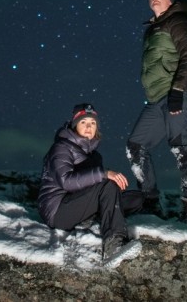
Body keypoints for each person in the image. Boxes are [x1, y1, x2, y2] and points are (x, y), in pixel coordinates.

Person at [126, 0, 187, 225]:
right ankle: (150, 201)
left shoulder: (178, 20)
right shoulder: (151, 29)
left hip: (177, 92)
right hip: (156, 97)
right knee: (136, 146)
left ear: (170, 0)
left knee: (180, 146)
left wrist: (178, 90)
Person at [38, 103, 145, 262]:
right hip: (57, 211)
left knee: (137, 198)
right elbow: (66, 182)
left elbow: (92, 187)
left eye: (93, 123)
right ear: (75, 125)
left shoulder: (94, 155)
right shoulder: (61, 147)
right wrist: (104, 174)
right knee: (108, 183)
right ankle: (113, 247)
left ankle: (90, 218)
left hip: (77, 204)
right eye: (83, 122)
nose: (89, 126)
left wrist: (112, 189)